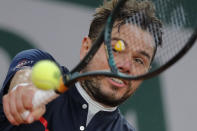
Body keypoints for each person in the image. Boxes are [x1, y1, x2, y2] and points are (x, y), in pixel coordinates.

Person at [0, 0, 162, 130]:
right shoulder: (39, 64)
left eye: (139, 60)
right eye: (115, 49)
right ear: (86, 48)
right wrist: (23, 91)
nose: (126, 65)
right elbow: (25, 75)